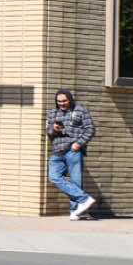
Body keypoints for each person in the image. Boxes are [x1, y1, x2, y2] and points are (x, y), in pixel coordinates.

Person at [45, 88, 97, 219]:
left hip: (73, 150)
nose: (61, 104)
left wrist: (79, 143)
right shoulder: (52, 113)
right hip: (57, 151)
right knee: (54, 177)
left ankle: (75, 211)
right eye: (59, 101)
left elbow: (90, 129)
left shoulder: (80, 110)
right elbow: (49, 133)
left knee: (76, 181)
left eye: (64, 101)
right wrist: (53, 129)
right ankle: (84, 199)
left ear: (70, 99)